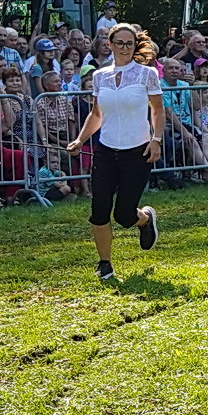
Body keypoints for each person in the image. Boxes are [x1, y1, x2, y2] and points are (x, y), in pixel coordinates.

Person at [67, 23, 163, 282]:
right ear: (109, 45)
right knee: (99, 209)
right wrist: (79, 140)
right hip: (106, 150)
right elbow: (97, 114)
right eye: (119, 43)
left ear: (135, 46)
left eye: (129, 43)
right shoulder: (100, 76)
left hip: (137, 151)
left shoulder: (147, 74)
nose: (124, 48)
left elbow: (157, 110)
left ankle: (144, 219)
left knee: (123, 215)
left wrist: (156, 139)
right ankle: (105, 263)